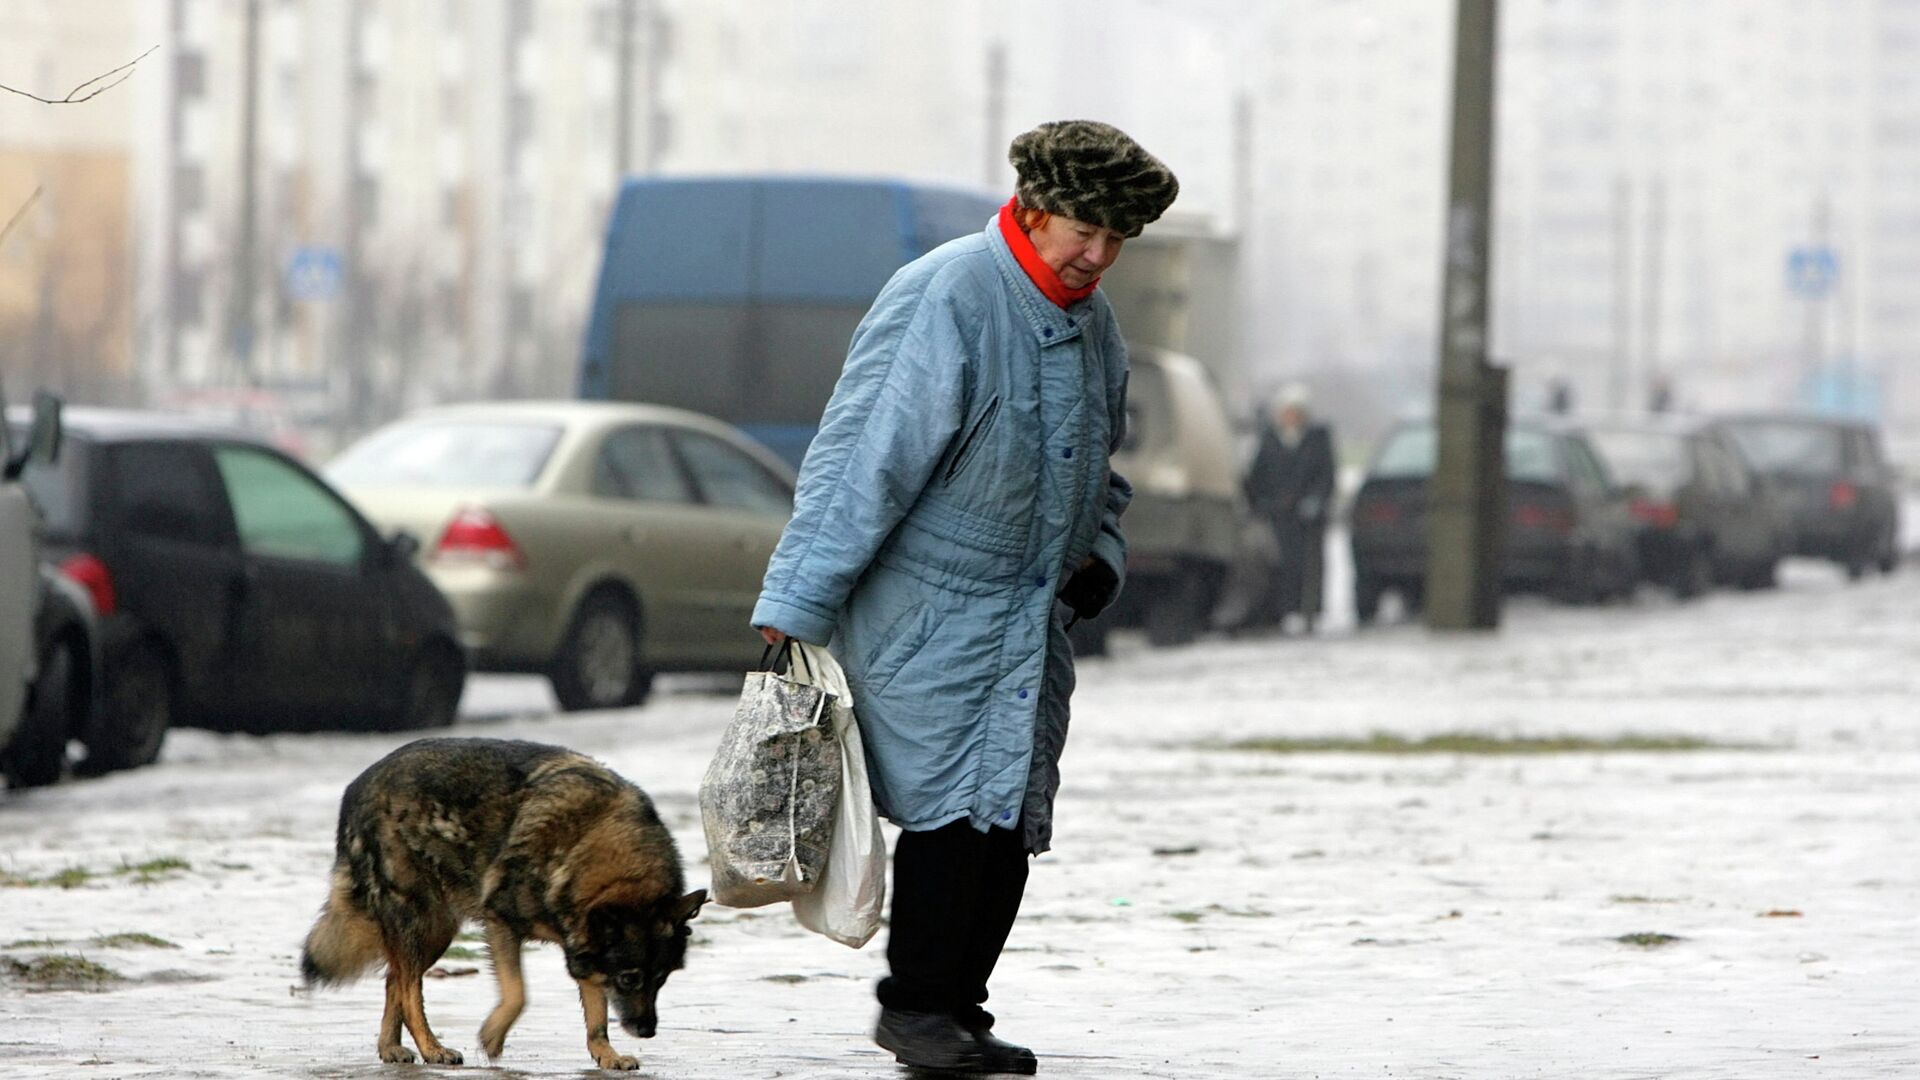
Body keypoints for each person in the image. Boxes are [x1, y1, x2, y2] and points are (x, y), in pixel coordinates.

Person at [750, 120, 1177, 1074]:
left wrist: (1100, 552)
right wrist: (797, 602)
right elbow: (864, 462)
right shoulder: (947, 294)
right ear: (1033, 209)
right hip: (929, 610)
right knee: (951, 816)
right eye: (1084, 232)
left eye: (1118, 241)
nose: (1098, 257)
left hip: (1029, 618)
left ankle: (959, 1009)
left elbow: (1102, 469)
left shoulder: (1094, 324)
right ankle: (916, 1011)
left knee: (1007, 823)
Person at [1243, 385, 1336, 634]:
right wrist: (1262, 503)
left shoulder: (1317, 439)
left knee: (1309, 567)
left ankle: (1308, 612)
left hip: (1308, 518)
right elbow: (1256, 477)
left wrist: (1316, 500)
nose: (1290, 417)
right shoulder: (1270, 440)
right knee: (1279, 565)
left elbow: (1326, 475)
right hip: (1278, 515)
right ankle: (1280, 612)